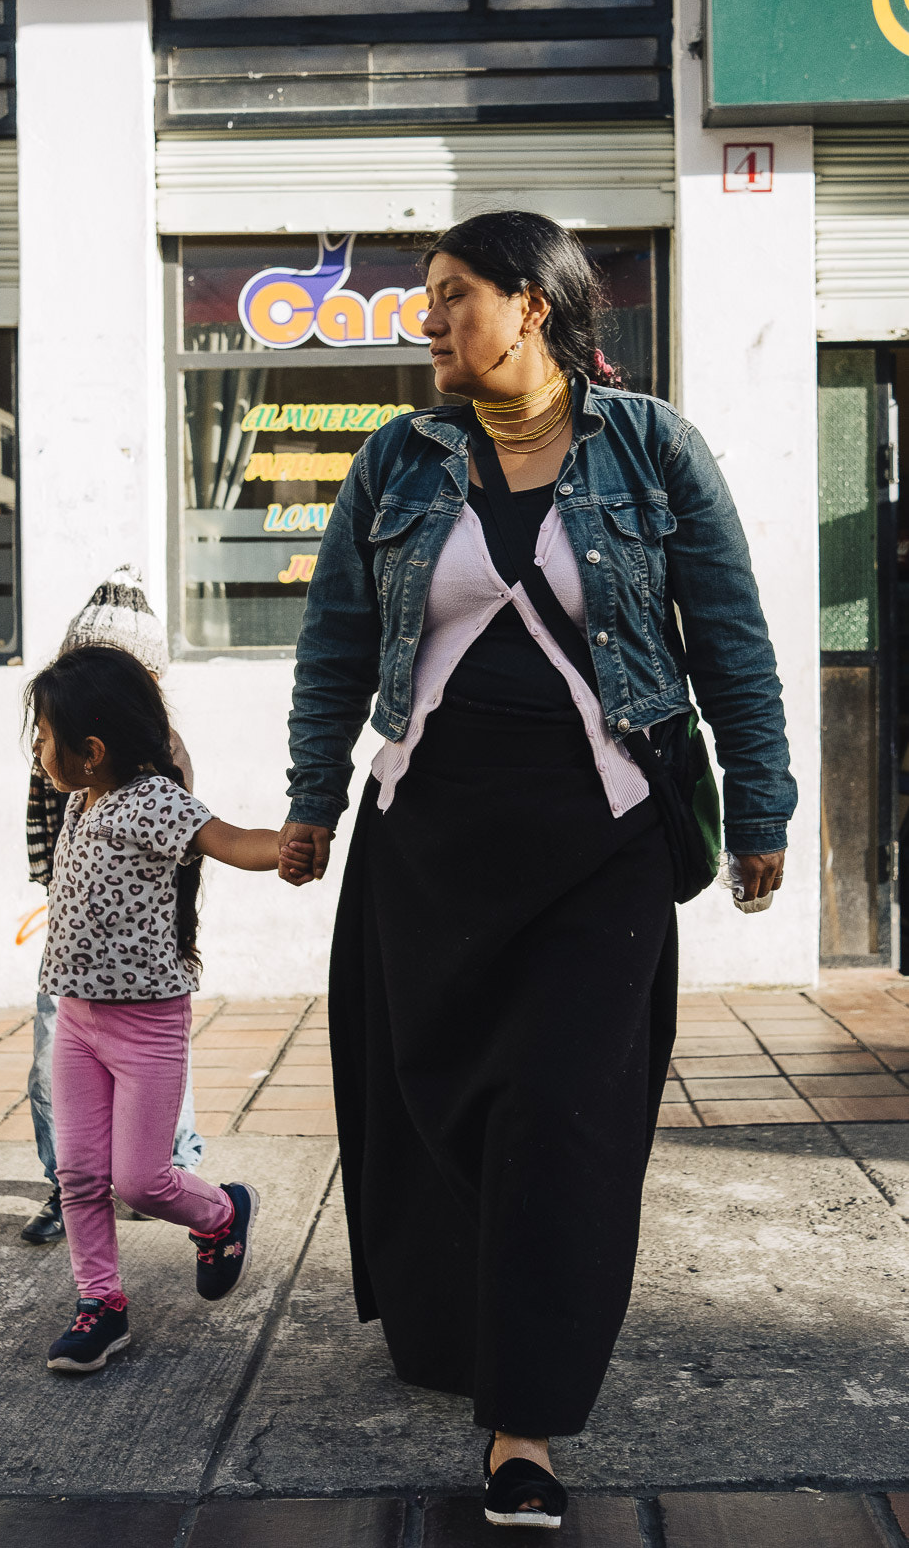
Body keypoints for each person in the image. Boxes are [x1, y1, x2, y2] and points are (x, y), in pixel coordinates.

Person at [279, 211, 796, 1526]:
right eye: (427, 297)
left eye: (451, 295)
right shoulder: (399, 459)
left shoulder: (653, 446)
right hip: (424, 847)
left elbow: (729, 636)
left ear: (529, 305)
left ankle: (527, 1423)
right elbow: (336, 642)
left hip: (599, 847)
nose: (429, 319)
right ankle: (464, 1324)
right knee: (432, 1102)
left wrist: (761, 809)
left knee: (567, 1116)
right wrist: (312, 801)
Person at [25, 644, 310, 1372]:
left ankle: (221, 1215)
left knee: (140, 1181)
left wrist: (285, 847)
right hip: (79, 1020)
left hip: (147, 1024)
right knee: (80, 1175)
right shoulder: (80, 801)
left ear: (91, 751)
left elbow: (225, 839)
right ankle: (101, 1305)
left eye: (45, 734)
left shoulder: (152, 800)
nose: (37, 746)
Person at [20, 565, 203, 1246]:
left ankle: (170, 1173)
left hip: (140, 971)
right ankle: (68, 1183)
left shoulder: (161, 765)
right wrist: (58, 893)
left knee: (152, 1084)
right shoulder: (59, 747)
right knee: (52, 1073)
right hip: (74, 963)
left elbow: (189, 852)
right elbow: (48, 828)